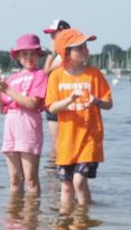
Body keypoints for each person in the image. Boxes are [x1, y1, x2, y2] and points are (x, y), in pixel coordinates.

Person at [45, 28, 113, 211]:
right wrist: (69, 100)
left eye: (86, 46)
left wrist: (97, 101)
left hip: (90, 138)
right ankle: (65, 222)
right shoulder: (56, 76)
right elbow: (51, 107)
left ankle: (82, 220)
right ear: (66, 52)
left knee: (79, 181)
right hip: (66, 141)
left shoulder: (94, 74)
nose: (85, 50)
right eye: (80, 47)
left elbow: (109, 104)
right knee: (66, 186)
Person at [0, 33, 48, 196]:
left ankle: (31, 211)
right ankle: (15, 210)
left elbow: (33, 103)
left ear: (39, 55)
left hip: (28, 124)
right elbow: (2, 109)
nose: (29, 57)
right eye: (25, 54)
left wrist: (7, 90)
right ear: (18, 56)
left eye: (33, 53)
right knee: (15, 179)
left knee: (31, 179)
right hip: (11, 125)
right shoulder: (12, 78)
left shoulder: (40, 75)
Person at [41, 19, 71, 153]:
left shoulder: (67, 52)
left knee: (59, 143)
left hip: (63, 99)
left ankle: (58, 164)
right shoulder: (62, 53)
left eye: (54, 33)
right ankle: (54, 164)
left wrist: (51, 53)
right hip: (55, 98)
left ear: (63, 32)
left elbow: (46, 70)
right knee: (56, 143)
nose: (51, 37)